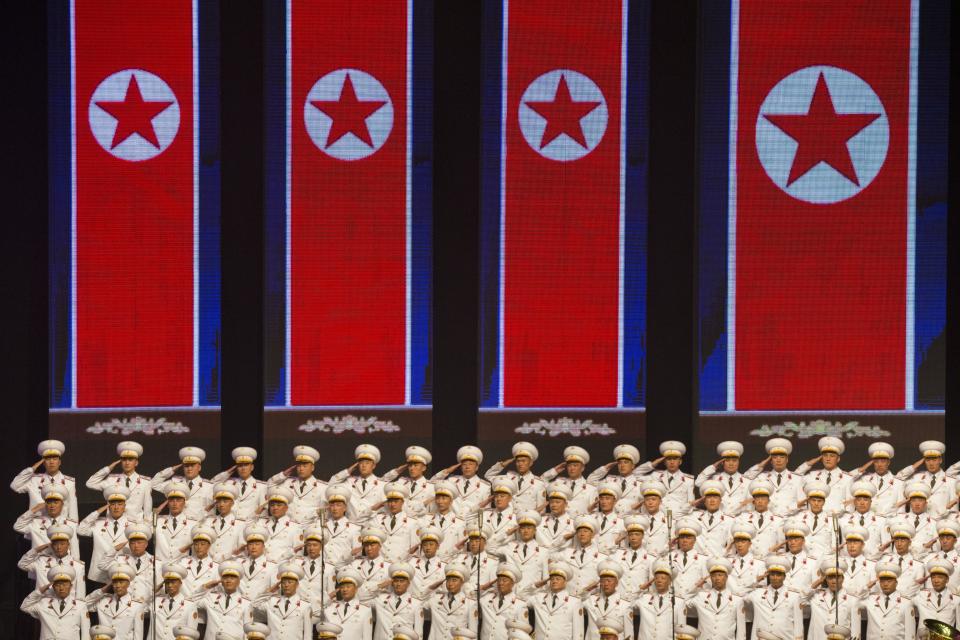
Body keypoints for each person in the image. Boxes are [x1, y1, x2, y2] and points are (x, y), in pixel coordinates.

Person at [11, 439, 79, 521]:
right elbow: (14, 486)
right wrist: (32, 469)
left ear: (59, 462)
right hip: (36, 528)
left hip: (59, 529)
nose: (51, 462)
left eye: (54, 458)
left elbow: (73, 510)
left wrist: (72, 531)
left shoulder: (69, 482)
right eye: (48, 459)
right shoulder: (34, 480)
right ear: (43, 463)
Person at [77, 486, 133, 583]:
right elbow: (80, 530)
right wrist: (98, 511)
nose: (116, 507)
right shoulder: (98, 524)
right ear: (108, 506)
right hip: (98, 574)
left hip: (122, 572)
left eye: (120, 504)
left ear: (125, 506)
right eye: (112, 504)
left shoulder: (133, 526)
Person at [85, 442, 151, 522]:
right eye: (124, 460)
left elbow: (147, 509)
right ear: (120, 462)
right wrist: (108, 469)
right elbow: (90, 483)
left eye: (130, 460)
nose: (127, 463)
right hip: (112, 525)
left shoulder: (145, 482)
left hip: (134, 527)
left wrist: (148, 528)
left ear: (136, 463)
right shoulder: (111, 480)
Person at [19, 565, 91, 639]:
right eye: (58, 585)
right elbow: (24, 606)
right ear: (53, 587)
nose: (61, 588)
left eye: (65, 584)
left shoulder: (81, 606)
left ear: (71, 586)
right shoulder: (44, 603)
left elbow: (86, 632)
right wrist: (41, 590)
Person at [17, 523, 86, 597]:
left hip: (67, 606)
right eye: (55, 544)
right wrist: (39, 548)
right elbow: (22, 564)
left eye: (62, 544)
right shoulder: (41, 561)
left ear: (68, 545)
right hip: (44, 604)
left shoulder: (78, 566)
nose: (59, 547)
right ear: (51, 546)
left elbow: (80, 593)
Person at [743, 555, 803, 640]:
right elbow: (740, 595)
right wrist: (756, 581)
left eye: (778, 575)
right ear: (768, 576)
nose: (775, 577)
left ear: (784, 577)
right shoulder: (757, 594)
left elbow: (798, 624)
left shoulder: (794, 596)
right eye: (772, 574)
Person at [684, 557, 746, 640]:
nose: (717, 578)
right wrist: (696, 586)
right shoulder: (701, 597)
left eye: (720, 575)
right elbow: (683, 602)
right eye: (713, 576)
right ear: (710, 578)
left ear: (726, 577)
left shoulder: (737, 601)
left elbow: (741, 630)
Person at [85, 561, 148, 640]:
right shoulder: (103, 601)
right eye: (115, 582)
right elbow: (84, 604)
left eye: (121, 582)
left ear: (128, 584)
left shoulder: (137, 606)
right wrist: (104, 589)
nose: (118, 586)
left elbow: (138, 635)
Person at [742, 439, 805, 517]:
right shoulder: (762, 477)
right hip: (767, 521)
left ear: (787, 460)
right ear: (770, 461)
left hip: (790, 521)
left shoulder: (798, 479)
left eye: (782, 457)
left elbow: (802, 505)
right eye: (775, 457)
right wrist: (761, 465)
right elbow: (746, 477)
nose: (778, 460)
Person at [14, 484, 81, 557]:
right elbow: (17, 526)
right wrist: (33, 510)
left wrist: (74, 567)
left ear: (62, 504)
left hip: (61, 566)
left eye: (56, 502)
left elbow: (75, 551)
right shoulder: (36, 523)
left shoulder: (71, 524)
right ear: (45, 505)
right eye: (49, 503)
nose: (52, 506)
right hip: (41, 565)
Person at [251, 563, 313, 640]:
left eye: (290, 582)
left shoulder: (305, 606)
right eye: (283, 582)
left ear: (297, 584)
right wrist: (270, 591)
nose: (286, 585)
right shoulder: (272, 602)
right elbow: (255, 605)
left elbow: (308, 634)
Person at [267, 446, 327, 524]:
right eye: (299, 465)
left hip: (309, 528)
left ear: (312, 468)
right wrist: (282, 475)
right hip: (288, 528)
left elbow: (324, 511)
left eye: (305, 466)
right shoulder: (287, 482)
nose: (301, 469)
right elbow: (268, 486)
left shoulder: (323, 487)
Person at [792, 437, 852, 514]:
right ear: (821, 458)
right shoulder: (812, 476)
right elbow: (794, 477)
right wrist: (807, 464)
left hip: (835, 521)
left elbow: (849, 507)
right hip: (814, 520)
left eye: (832, 456)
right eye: (825, 455)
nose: (828, 458)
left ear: (838, 459)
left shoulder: (847, 479)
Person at [526, 560, 583, 640]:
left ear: (565, 582)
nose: (554, 581)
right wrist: (537, 585)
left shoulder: (574, 602)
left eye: (558, 579)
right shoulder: (539, 598)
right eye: (552, 579)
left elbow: (578, 632)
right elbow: (521, 597)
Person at [152, 447, 214, 521]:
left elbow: (210, 512)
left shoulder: (209, 487)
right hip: (177, 528)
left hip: (198, 527)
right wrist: (173, 469)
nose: (189, 469)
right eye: (186, 466)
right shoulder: (175, 483)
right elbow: (153, 484)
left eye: (192, 465)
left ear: (199, 467)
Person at [805, 558, 859, 640]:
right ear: (826, 579)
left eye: (837, 577)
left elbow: (856, 632)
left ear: (843, 579)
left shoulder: (852, 600)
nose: (834, 581)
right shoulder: (816, 596)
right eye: (830, 578)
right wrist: (818, 582)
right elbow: (801, 599)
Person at [858, 562, 915, 640]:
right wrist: (867, 587)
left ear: (896, 582)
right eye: (882, 581)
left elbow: (910, 633)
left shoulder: (906, 603)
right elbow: (855, 602)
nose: (885, 584)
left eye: (889, 581)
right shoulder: (871, 599)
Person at [485, 442, 547, 513]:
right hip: (509, 520)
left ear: (530, 463)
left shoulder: (538, 483)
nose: (520, 464)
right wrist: (503, 464)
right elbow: (488, 475)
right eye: (518, 461)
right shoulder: (508, 478)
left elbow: (541, 509)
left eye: (523, 461)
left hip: (526, 521)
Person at [638, 441, 695, 517]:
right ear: (664, 462)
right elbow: (635, 475)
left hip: (679, 518)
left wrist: (676, 515)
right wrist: (653, 464)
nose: (672, 462)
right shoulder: (656, 476)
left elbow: (691, 504)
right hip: (659, 517)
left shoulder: (689, 480)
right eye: (668, 459)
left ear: (680, 461)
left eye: (675, 459)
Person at [898, 441, 954, 517]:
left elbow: (953, 510)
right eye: (928, 460)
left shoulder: (951, 481)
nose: (931, 463)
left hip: (940, 524)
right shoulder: (916, 478)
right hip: (919, 525)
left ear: (940, 460)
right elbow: (898, 479)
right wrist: (914, 466)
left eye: (934, 460)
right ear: (924, 461)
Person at [209, 447, 267, 520]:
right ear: (236, 468)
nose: (243, 468)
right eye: (240, 465)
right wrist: (228, 472)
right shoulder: (229, 483)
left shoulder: (261, 486)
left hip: (250, 526)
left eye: (246, 465)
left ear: (252, 467)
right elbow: (211, 484)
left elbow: (263, 514)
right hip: (231, 526)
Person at [329, 444, 386, 519]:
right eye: (361, 463)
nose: (363, 465)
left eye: (367, 463)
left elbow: (386, 509)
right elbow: (330, 484)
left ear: (374, 466)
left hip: (371, 527)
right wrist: (348, 471)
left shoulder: (383, 485)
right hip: (351, 527)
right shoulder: (350, 482)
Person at [430, 446, 491, 516]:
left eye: (471, 464)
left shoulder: (485, 486)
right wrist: (447, 471)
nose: (467, 467)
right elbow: (431, 483)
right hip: (453, 523)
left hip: (472, 523)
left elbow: (486, 510)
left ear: (477, 467)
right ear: (461, 467)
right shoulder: (452, 480)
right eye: (464, 464)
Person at [634, 560, 686, 640]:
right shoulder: (645, 599)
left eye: (663, 578)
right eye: (656, 578)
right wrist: (641, 588)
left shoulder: (679, 602)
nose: (659, 581)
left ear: (669, 581)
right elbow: (627, 605)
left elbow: (681, 631)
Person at [845, 442, 901, 517]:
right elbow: (847, 479)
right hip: (869, 522)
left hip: (889, 523)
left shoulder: (899, 483)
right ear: (872, 463)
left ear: (888, 462)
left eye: (883, 461)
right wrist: (862, 468)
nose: (879, 465)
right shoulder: (865, 479)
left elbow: (901, 511)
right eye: (876, 461)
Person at [582, 559, 634, 640]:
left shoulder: (625, 605)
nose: (606, 584)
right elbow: (575, 602)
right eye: (602, 581)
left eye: (609, 581)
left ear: (616, 583)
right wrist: (587, 589)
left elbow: (629, 635)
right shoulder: (591, 600)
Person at [540, 446, 598, 516]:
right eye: (569, 465)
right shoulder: (559, 483)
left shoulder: (591, 489)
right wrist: (554, 471)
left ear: (582, 468)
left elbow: (594, 514)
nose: (572, 468)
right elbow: (541, 481)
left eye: (575, 465)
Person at [424, 563, 477, 640]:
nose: (450, 584)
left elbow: (473, 634)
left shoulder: (470, 604)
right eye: (448, 580)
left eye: (454, 580)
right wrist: (430, 588)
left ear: (462, 582)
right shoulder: (435, 599)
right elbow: (418, 604)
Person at [372, 562, 425, 640]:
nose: (398, 584)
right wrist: (379, 586)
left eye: (402, 581)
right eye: (396, 581)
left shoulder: (416, 604)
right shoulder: (381, 599)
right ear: (392, 583)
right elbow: (362, 598)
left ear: (408, 583)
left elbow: (418, 633)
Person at [477, 562, 528, 640]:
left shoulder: (520, 605)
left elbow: (522, 634)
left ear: (512, 583)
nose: (500, 583)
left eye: (504, 580)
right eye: (499, 580)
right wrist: (486, 586)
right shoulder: (486, 599)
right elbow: (470, 597)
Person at [147, 562, 198, 640]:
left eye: (173, 582)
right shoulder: (157, 601)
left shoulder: (190, 605)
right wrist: (154, 591)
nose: (170, 585)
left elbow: (190, 634)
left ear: (180, 583)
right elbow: (141, 606)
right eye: (167, 583)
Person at [587, 445, 643, 516]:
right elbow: (591, 480)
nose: (622, 465)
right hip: (612, 522)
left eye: (626, 462)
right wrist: (605, 468)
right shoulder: (610, 480)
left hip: (631, 521)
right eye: (619, 463)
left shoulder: (640, 485)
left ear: (633, 466)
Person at [694, 441, 748, 516]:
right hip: (720, 521)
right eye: (727, 460)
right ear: (722, 462)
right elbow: (698, 482)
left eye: (734, 460)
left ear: (738, 462)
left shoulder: (748, 481)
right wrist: (713, 467)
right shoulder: (714, 478)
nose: (731, 464)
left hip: (740, 522)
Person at [381, 446, 435, 518]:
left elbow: (432, 511)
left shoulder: (431, 487)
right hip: (400, 522)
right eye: (410, 465)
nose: (412, 468)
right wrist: (398, 470)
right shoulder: (401, 482)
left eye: (416, 465)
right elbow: (382, 482)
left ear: (424, 468)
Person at [373, 483, 422, 563]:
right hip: (380, 566)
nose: (392, 504)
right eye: (390, 501)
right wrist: (374, 508)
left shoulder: (412, 523)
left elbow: (414, 550)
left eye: (396, 501)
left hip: (400, 566)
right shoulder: (379, 519)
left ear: (402, 502)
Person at [322, 567, 374, 640]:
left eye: (348, 587)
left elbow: (367, 637)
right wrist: (329, 597)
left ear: (356, 589)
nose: (344, 589)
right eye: (342, 587)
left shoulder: (365, 610)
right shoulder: (331, 608)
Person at [612, 515, 654, 600]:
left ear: (642, 536)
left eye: (637, 534)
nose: (633, 537)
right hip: (620, 602)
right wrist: (617, 541)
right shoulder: (618, 555)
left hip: (639, 601)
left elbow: (651, 585)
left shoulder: (650, 558)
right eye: (631, 534)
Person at [156, 481, 198, 563]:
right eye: (171, 500)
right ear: (167, 504)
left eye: (178, 500)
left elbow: (196, 549)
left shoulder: (192, 524)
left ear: (184, 503)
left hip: (181, 568)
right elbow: (144, 525)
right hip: (161, 569)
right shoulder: (158, 521)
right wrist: (157, 510)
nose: (175, 503)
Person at [912, 558, 960, 629]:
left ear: (947, 580)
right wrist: (916, 583)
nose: (936, 581)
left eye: (940, 577)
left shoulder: (956, 600)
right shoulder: (922, 596)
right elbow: (905, 601)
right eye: (933, 577)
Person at [322, 484, 363, 566]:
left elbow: (357, 555)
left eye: (338, 505)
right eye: (332, 505)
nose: (335, 508)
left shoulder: (354, 528)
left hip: (343, 571)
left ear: (345, 508)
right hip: (323, 572)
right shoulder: (322, 525)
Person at [203, 483, 245, 562]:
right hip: (209, 565)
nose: (221, 505)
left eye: (225, 501)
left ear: (232, 503)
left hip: (229, 565)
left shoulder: (240, 524)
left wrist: (224, 558)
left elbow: (241, 550)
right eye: (218, 502)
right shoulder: (209, 522)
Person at [260, 487, 301, 564]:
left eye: (279, 505)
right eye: (272, 505)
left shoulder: (295, 527)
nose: (275, 508)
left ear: (286, 508)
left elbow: (298, 555)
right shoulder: (262, 523)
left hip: (282, 568)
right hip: (263, 568)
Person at [238, 521, 278, 598]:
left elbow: (273, 591)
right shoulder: (239, 563)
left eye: (257, 544)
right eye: (250, 544)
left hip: (258, 607)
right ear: (246, 547)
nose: (253, 547)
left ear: (263, 546)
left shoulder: (272, 567)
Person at [182, 525, 221, 596]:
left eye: (202, 544)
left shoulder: (216, 567)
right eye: (196, 544)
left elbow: (215, 591)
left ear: (209, 545)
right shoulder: (184, 562)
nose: (199, 547)